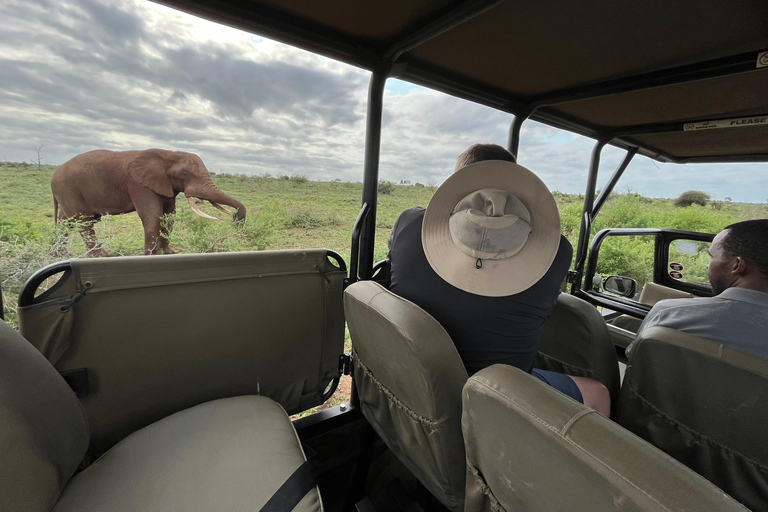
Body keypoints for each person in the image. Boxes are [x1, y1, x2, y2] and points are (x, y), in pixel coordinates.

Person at [388, 144, 610, 416]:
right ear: (514, 188)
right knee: (597, 392)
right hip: (497, 399)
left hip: (414, 378)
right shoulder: (556, 251)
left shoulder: (409, 223)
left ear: (458, 183)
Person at [633, 219, 768, 358]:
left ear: (737, 265)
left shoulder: (667, 314)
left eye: (712, 257)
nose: (707, 266)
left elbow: (635, 358)